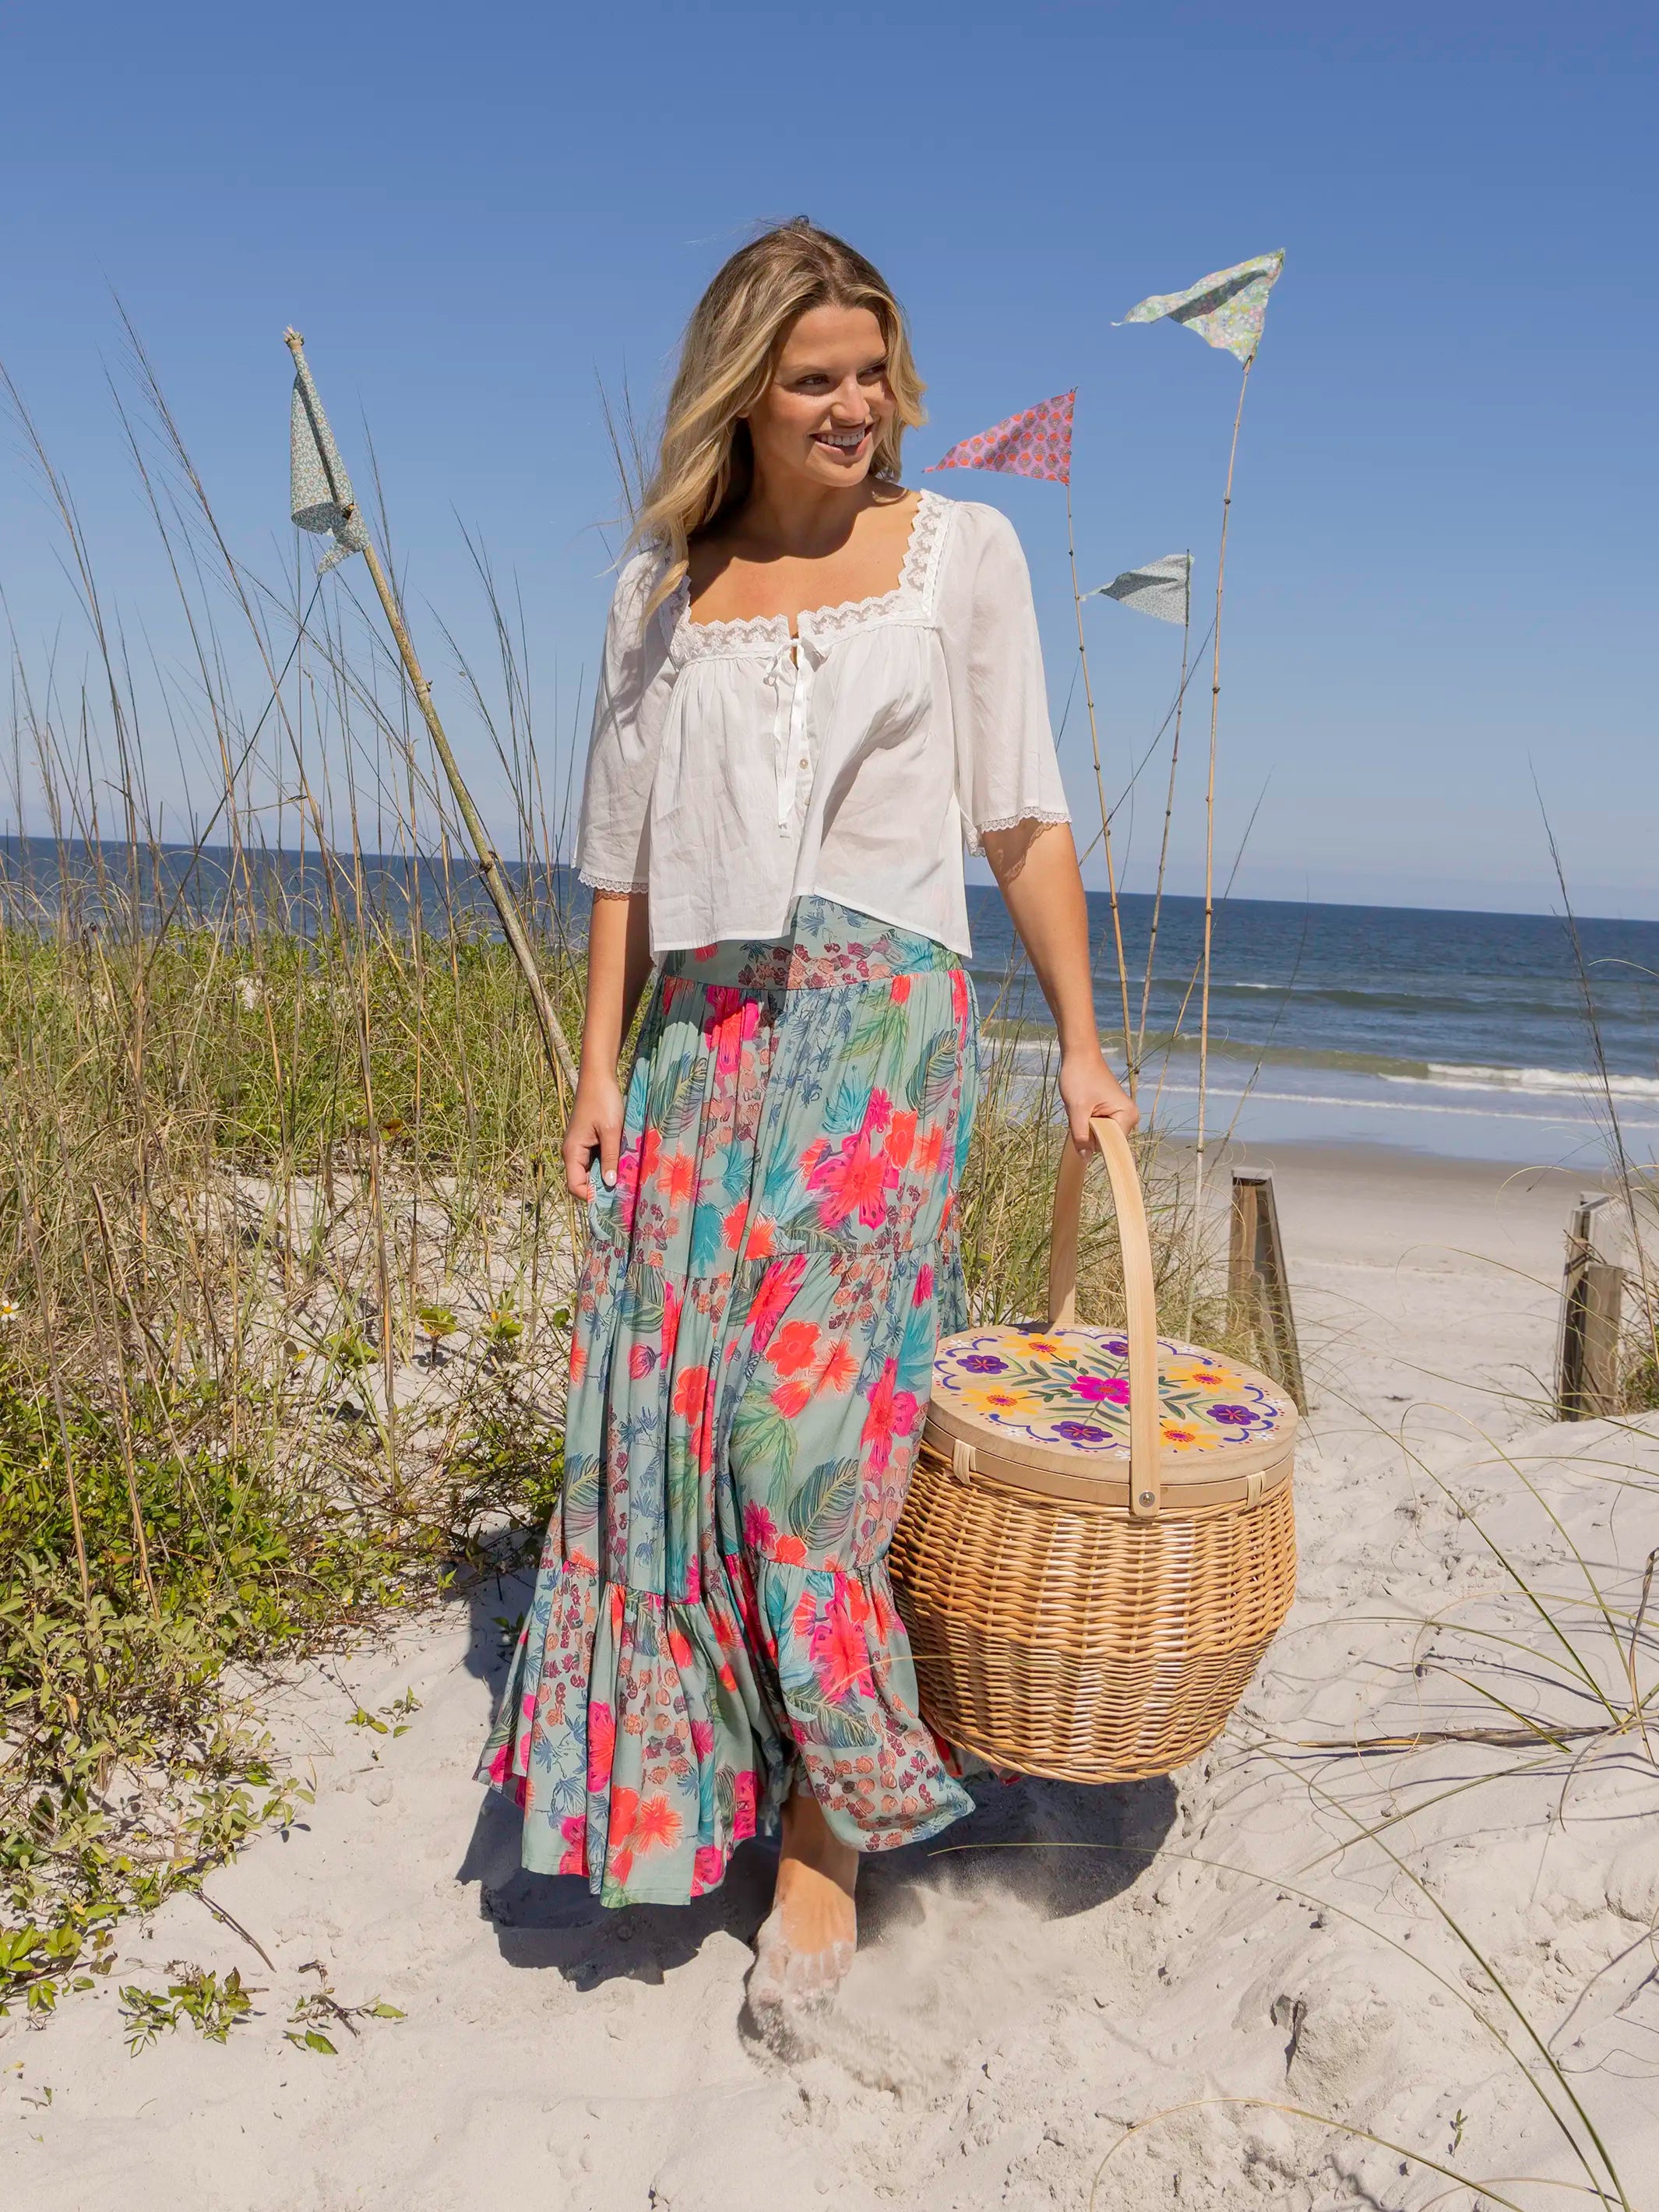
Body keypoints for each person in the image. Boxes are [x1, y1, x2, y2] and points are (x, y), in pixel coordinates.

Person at [477, 218, 1138, 2031]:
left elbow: (1023, 815)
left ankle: (831, 1832)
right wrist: (598, 1062)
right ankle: (697, 1785)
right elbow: (620, 855)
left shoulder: (959, 553)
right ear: (743, 395)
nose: (857, 406)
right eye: (816, 379)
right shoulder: (659, 586)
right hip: (699, 1034)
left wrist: (1084, 1045)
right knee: (674, 1431)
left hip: (882, 1030)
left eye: (874, 372)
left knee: (801, 1433)